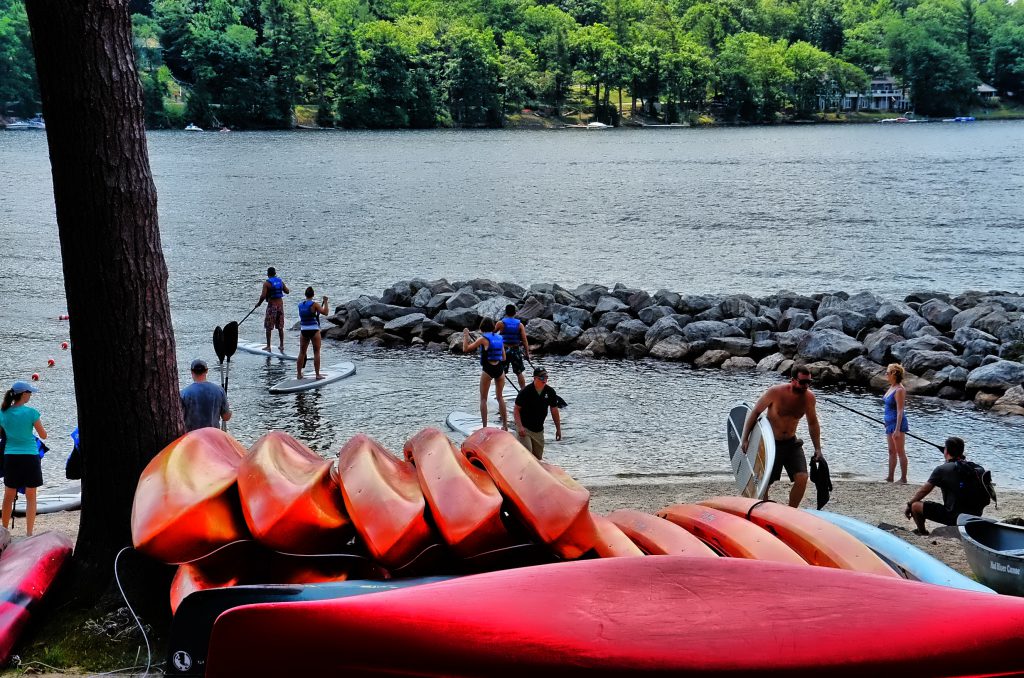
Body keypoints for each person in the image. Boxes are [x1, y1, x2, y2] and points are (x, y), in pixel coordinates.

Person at [740, 365, 823, 508]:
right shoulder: (775, 392)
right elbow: (755, 413)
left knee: (802, 477)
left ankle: (791, 511)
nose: (806, 386)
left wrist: (818, 448)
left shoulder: (809, 398)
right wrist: (745, 438)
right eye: (803, 382)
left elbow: (813, 423)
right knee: (765, 481)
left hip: (791, 444)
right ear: (792, 380)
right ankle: (763, 507)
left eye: (809, 382)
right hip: (771, 443)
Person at [905, 436, 989, 536]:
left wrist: (909, 504)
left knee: (915, 506)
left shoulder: (942, 469)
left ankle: (922, 532)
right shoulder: (976, 468)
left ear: (946, 451)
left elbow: (923, 491)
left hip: (954, 517)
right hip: (975, 516)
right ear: (961, 451)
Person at [0, 381, 46, 535]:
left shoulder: (3, 413)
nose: (31, 395)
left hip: (11, 457)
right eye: (30, 392)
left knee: (9, 494)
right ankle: (29, 533)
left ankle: (4, 531)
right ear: (24, 394)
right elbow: (43, 435)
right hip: (30, 457)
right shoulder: (32, 413)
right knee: (31, 496)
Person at [462, 318, 507, 430]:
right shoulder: (500, 338)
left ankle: (485, 427)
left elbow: (465, 349)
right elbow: (504, 357)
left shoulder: (483, 339)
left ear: (482, 328)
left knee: (483, 399)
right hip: (499, 369)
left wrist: (466, 335)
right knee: (500, 397)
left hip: (488, 369)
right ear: (492, 327)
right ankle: (505, 426)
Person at [513, 366, 562, 460]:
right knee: (527, 454)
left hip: (539, 430)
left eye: (546, 377)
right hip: (525, 428)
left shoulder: (550, 392)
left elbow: (554, 410)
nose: (544, 380)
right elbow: (516, 409)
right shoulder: (525, 392)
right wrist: (519, 427)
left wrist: (558, 429)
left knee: (538, 458)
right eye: (542, 378)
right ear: (535, 378)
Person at [180, 359, 231, 431]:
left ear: (191, 372)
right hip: (212, 436)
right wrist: (229, 410)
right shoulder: (219, 390)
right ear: (207, 370)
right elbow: (226, 417)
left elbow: (179, 419)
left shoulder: (183, 393)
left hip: (192, 437)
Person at [884, 363, 909, 484]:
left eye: (887, 373)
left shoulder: (899, 389)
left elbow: (900, 410)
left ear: (894, 374)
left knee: (900, 451)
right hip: (889, 423)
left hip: (897, 423)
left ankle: (903, 478)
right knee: (891, 451)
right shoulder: (892, 387)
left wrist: (898, 429)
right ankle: (890, 477)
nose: (886, 375)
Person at [496, 304, 532, 389]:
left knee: (502, 373)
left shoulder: (500, 323)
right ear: (515, 313)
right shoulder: (520, 325)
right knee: (519, 373)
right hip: (516, 350)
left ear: (505, 312)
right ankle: (523, 392)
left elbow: (492, 335)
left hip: (504, 350)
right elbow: (524, 340)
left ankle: (499, 393)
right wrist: (527, 353)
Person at [297, 287, 330, 380]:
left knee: (302, 352)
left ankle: (299, 374)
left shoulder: (300, 305)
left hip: (304, 330)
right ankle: (317, 375)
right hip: (314, 330)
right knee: (316, 352)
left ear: (305, 294)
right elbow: (326, 313)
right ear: (313, 295)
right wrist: (326, 302)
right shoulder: (314, 304)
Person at [257, 266, 290, 352]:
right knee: (280, 327)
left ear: (268, 274)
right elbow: (287, 291)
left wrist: (259, 304)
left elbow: (263, 296)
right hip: (280, 306)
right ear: (275, 273)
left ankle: (268, 346)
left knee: (268, 327)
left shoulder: (267, 283)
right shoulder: (280, 281)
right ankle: (281, 345)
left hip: (272, 306)